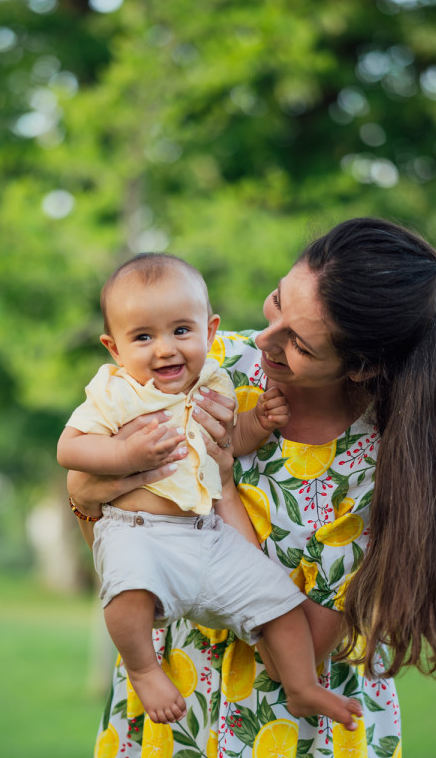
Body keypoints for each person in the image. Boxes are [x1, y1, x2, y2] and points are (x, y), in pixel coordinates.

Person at [36, 218, 436, 758]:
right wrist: (105, 488)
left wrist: (226, 496)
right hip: (176, 738)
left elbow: (304, 641)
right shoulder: (209, 363)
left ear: (368, 364)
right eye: (275, 304)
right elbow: (92, 503)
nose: (262, 339)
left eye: (299, 343)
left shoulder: (404, 470)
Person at [57, 253, 361, 727]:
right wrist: (124, 459)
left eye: (181, 331)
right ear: (113, 348)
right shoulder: (116, 392)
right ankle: (144, 669)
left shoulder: (212, 379)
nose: (164, 350)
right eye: (142, 337)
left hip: (208, 534)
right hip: (140, 528)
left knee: (279, 604)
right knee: (127, 590)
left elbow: (226, 445)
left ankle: (302, 688)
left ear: (209, 330)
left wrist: (256, 422)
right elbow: (70, 450)